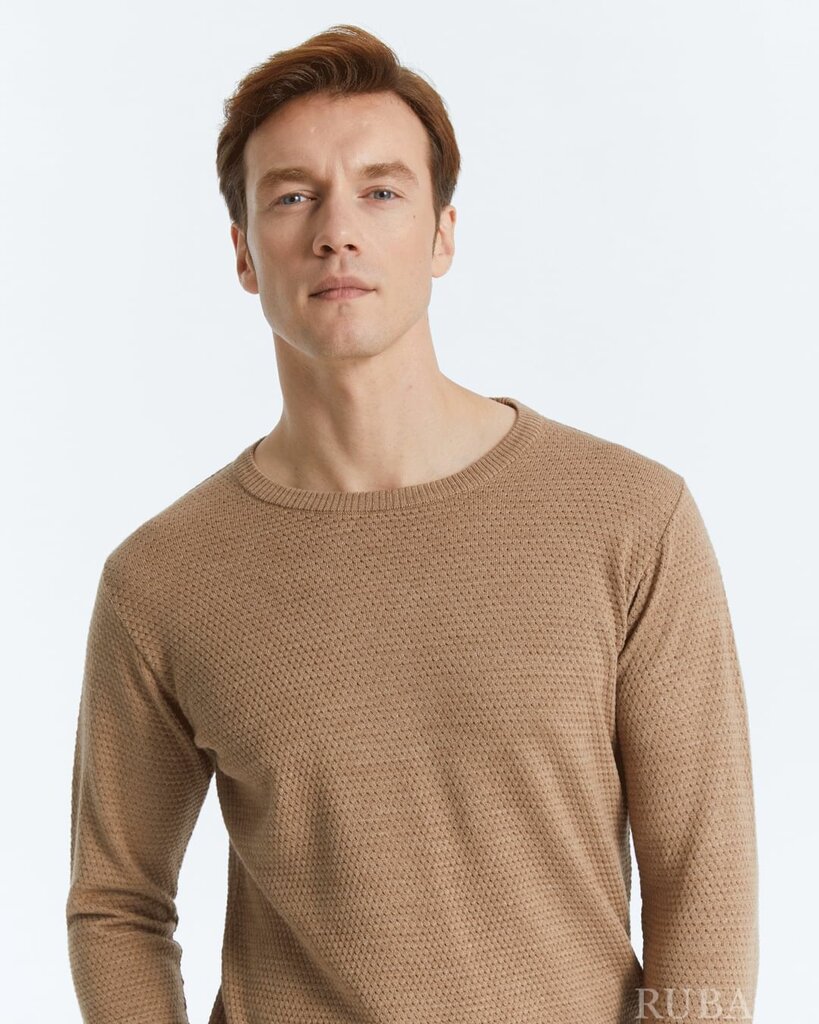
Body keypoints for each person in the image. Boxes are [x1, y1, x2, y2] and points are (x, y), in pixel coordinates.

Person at [65, 23, 759, 1024]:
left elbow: (704, 874)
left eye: (381, 192)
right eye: (292, 196)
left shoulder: (630, 520)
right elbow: (116, 903)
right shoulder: (162, 578)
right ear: (244, 253)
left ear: (442, 235)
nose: (336, 231)